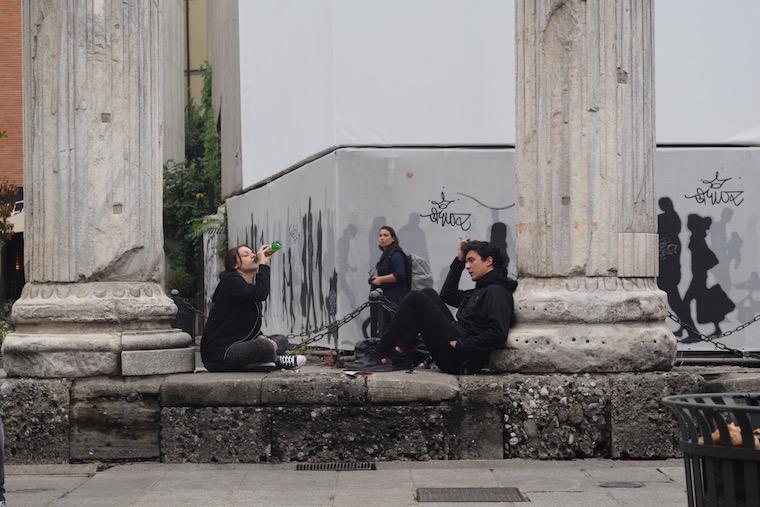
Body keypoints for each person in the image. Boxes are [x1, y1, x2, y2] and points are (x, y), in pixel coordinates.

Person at [361, 238, 517, 374]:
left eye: (471, 260)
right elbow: (447, 295)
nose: (467, 266)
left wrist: (462, 345)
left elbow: (498, 333)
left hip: (459, 358)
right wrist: (459, 260)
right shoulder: (480, 291)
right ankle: (402, 354)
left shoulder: (497, 293)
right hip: (456, 344)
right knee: (427, 293)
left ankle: (380, 353)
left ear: (488, 261)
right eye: (466, 261)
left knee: (416, 298)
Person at [201, 244, 306, 372]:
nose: (253, 255)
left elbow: (242, 323)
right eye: (246, 255)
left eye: (252, 252)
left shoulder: (245, 287)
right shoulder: (230, 281)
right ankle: (278, 361)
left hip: (238, 345)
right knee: (264, 346)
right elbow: (261, 293)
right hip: (220, 354)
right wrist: (263, 265)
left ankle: (262, 361)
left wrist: (258, 336)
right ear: (235, 265)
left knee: (281, 340)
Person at [369, 226, 408, 303]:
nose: (382, 238)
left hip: (395, 298)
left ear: (393, 238)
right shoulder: (386, 255)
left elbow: (400, 274)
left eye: (385, 235)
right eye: (380, 235)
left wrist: (381, 279)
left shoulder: (396, 254)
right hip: (387, 297)